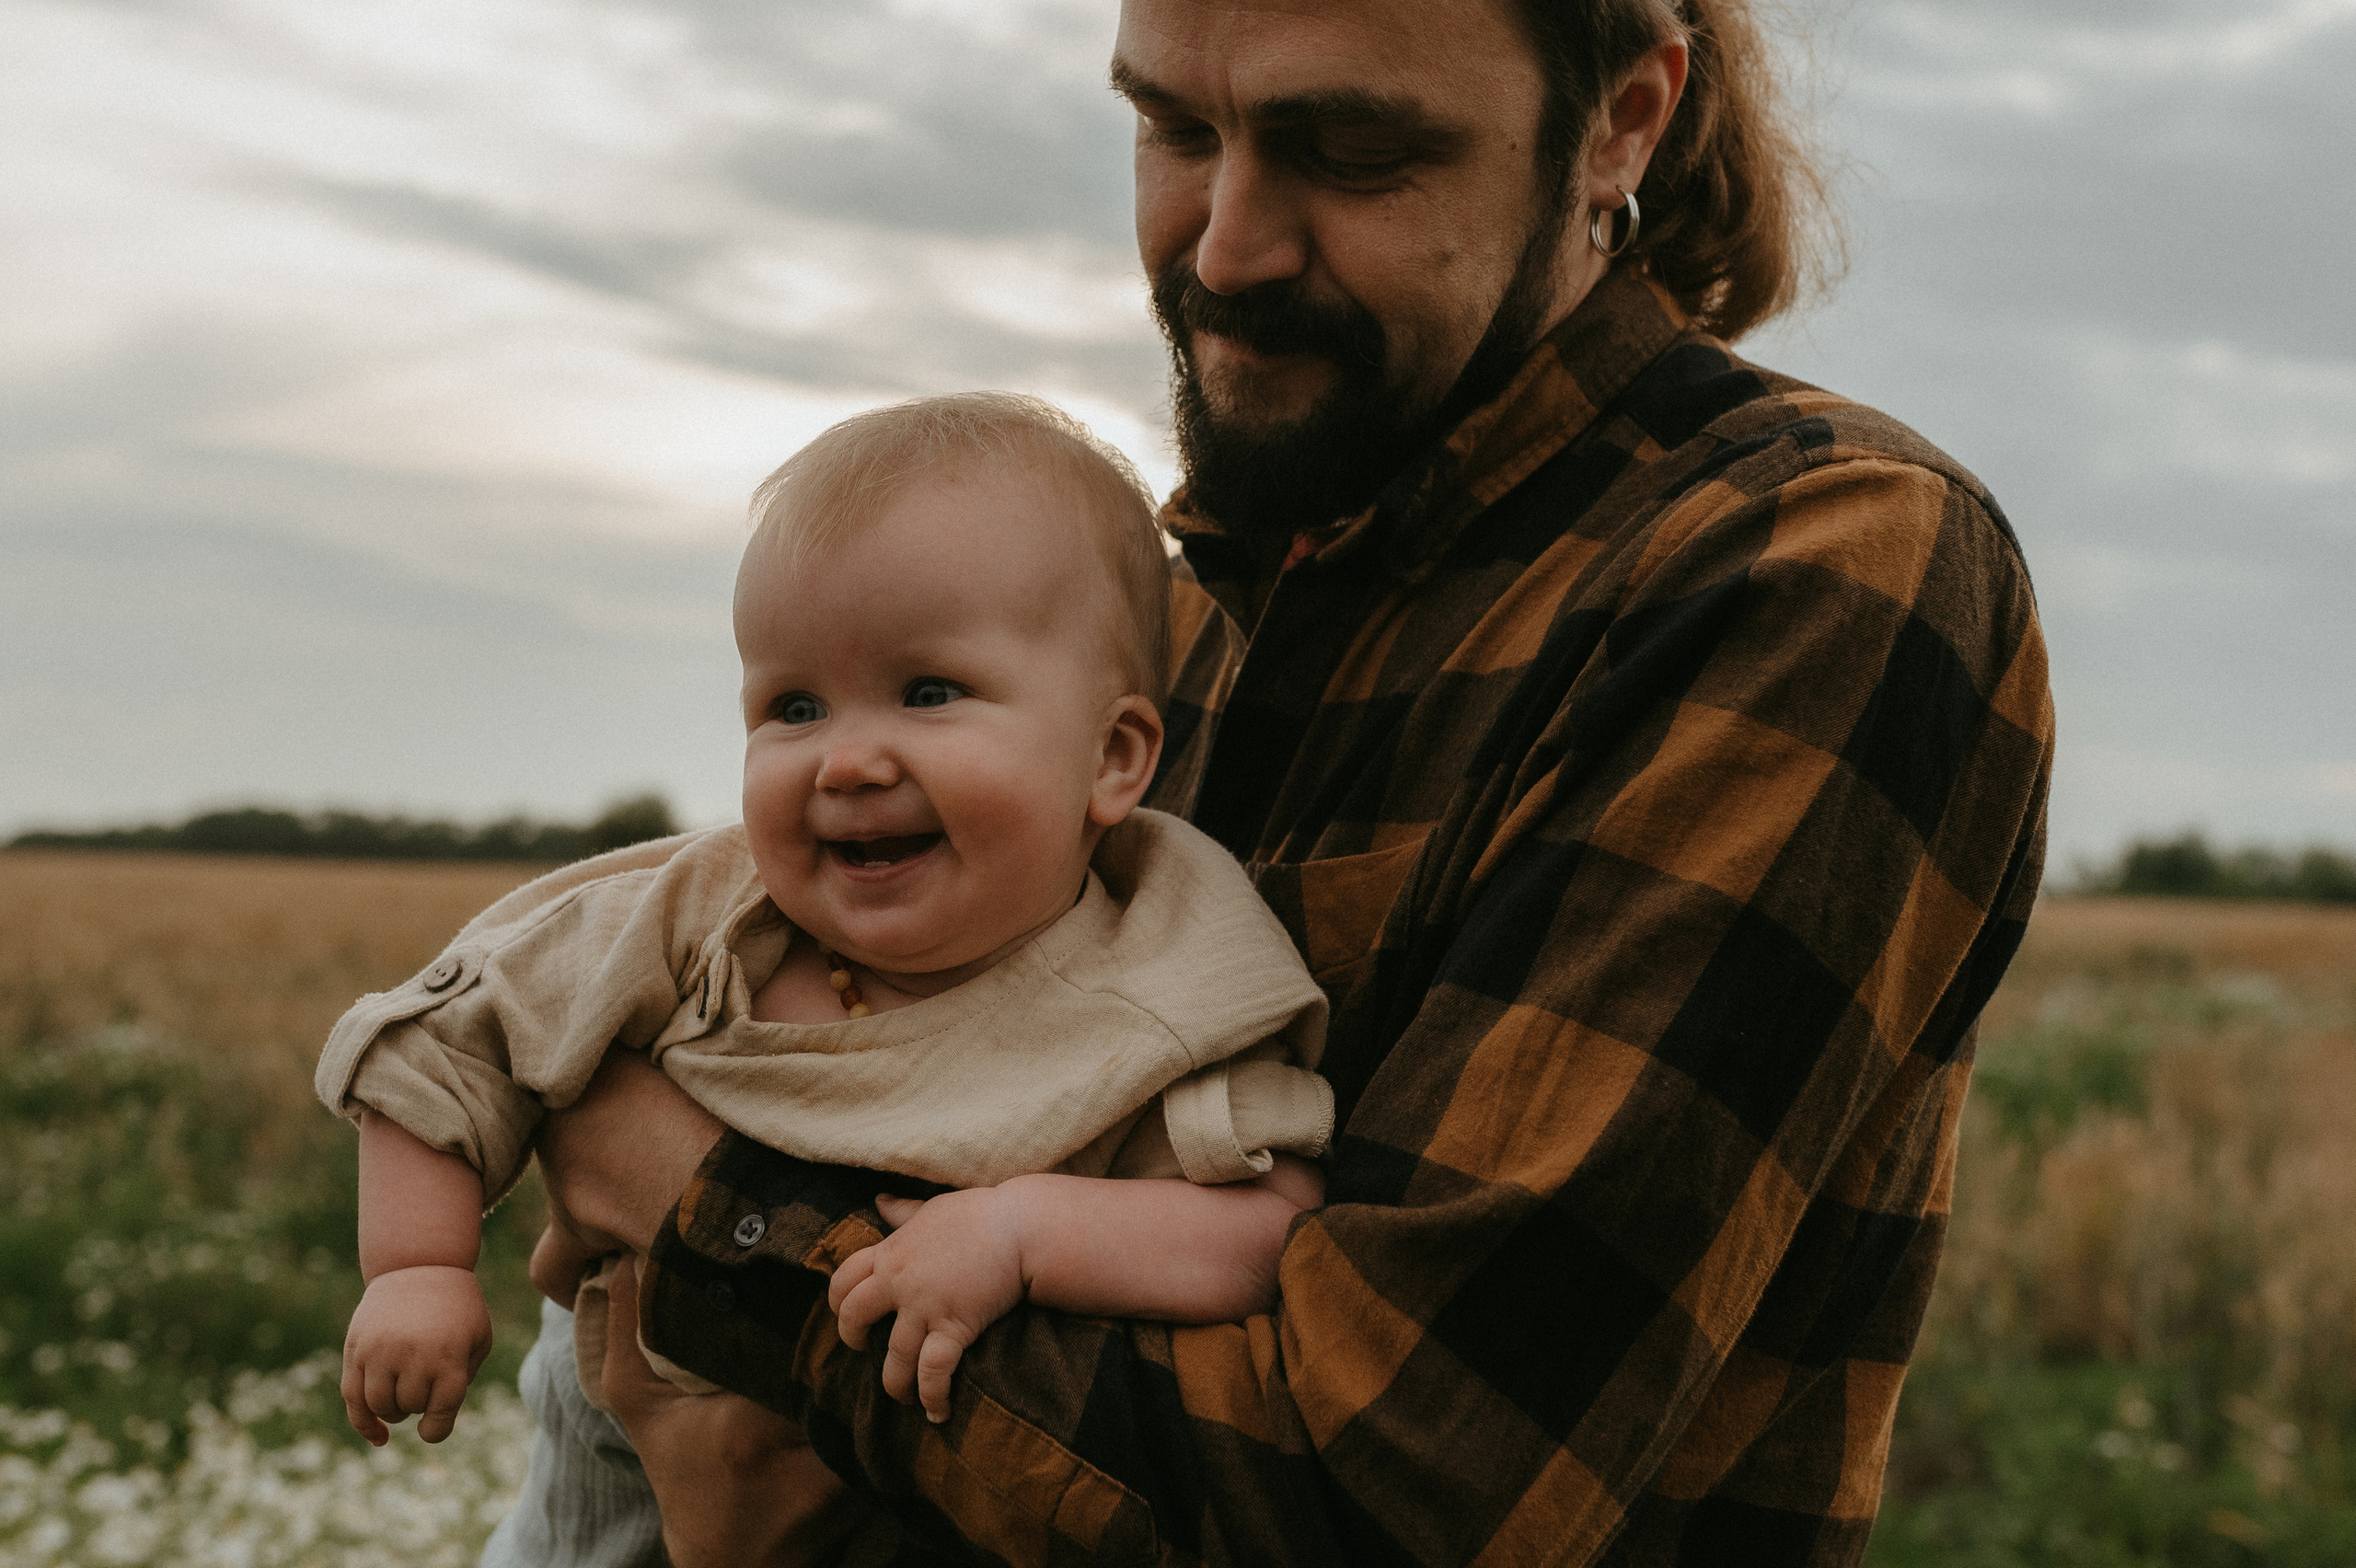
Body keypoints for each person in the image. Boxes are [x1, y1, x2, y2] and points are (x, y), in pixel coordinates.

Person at [533, 0, 2057, 1563]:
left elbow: (1382, 1493)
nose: (1227, 250)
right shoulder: (1178, 609)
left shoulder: (1803, 564)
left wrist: (690, 1197)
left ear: (1620, 121)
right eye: (1176, 130)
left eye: (1353, 148)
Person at [314, 395, 1339, 1562]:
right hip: (618, 1453)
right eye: (792, 708)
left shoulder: (1163, 978)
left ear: (1112, 757)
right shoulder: (705, 914)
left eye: (929, 692)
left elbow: (1266, 1225)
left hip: (920, 1492)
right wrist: (416, 1268)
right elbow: (454, 1031)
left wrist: (1021, 1233)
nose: (845, 761)